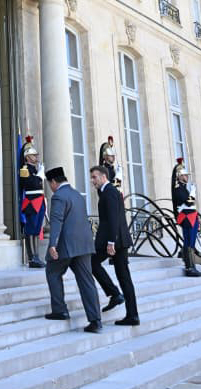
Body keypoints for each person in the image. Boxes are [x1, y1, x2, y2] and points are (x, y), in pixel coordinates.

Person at [43, 167, 102, 333]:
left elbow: (56, 221)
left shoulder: (58, 197)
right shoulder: (77, 194)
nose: (51, 187)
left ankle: (60, 310)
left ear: (53, 182)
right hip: (83, 245)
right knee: (87, 282)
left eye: (50, 184)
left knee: (52, 272)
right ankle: (96, 320)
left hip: (65, 246)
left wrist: (52, 244)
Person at [89, 165, 137, 326]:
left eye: (94, 177)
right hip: (119, 240)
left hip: (114, 241)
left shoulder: (109, 192)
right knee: (124, 277)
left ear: (103, 177)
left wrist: (111, 242)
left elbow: (113, 218)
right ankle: (131, 313)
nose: (92, 181)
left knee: (93, 263)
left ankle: (115, 294)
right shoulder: (108, 191)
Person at [172, 159, 201, 277]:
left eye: (186, 175)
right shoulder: (178, 188)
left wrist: (197, 217)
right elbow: (187, 202)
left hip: (191, 217)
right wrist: (192, 192)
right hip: (186, 218)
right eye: (184, 175)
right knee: (189, 242)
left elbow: (192, 206)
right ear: (179, 176)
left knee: (191, 241)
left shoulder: (184, 188)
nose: (186, 176)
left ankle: (190, 264)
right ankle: (190, 267)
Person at [18, 136, 45, 268]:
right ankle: (31, 258)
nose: (36, 157)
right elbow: (29, 184)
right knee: (30, 229)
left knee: (37, 229)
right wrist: (39, 175)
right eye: (33, 155)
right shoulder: (25, 170)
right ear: (27, 157)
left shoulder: (35, 169)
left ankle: (37, 256)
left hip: (39, 201)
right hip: (31, 202)